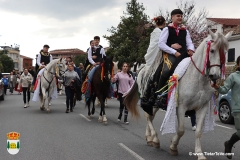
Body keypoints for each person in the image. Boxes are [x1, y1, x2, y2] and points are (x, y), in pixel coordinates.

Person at [211, 56, 240, 159]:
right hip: (238, 108)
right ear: (238, 64)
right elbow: (225, 89)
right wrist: (217, 87)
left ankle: (228, 144)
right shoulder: (233, 76)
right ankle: (229, 144)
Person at [137, 16, 166, 113]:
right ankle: (150, 95)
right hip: (159, 55)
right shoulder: (158, 32)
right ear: (164, 22)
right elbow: (156, 45)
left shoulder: (162, 30)